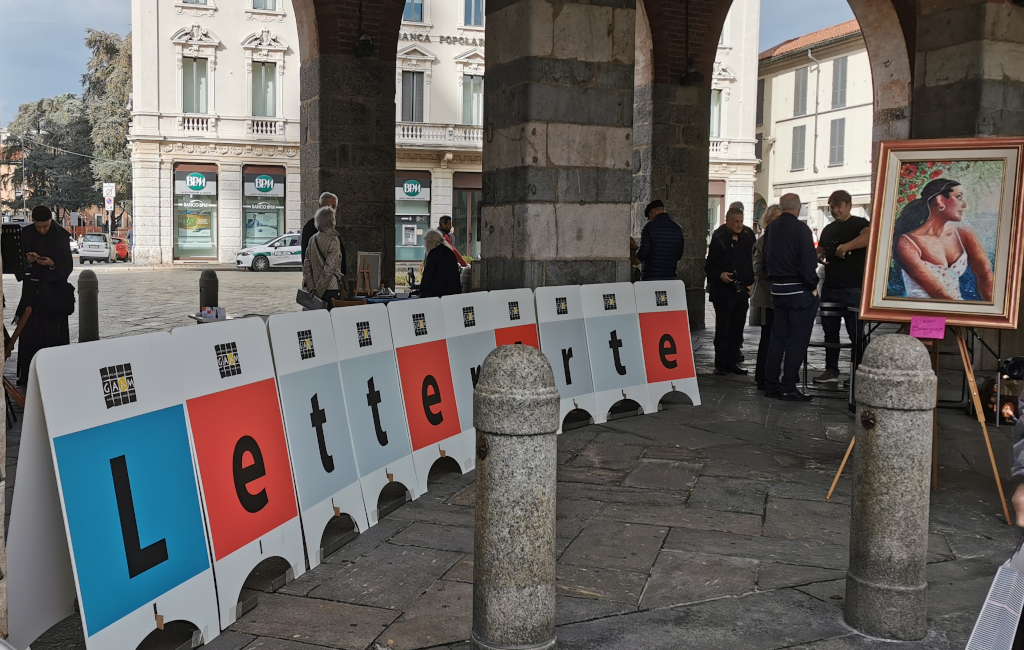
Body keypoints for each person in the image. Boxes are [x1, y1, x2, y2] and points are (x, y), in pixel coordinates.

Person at [892, 178, 993, 302]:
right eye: (959, 197)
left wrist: (993, 313)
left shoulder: (964, 235)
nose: (965, 205)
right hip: (925, 316)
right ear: (940, 200)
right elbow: (938, 293)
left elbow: (985, 274)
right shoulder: (907, 243)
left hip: (955, 312)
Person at [763, 193, 819, 401]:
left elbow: (767, 256)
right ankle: (788, 386)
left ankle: (771, 385)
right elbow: (808, 263)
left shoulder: (772, 228)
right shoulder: (801, 230)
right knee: (797, 339)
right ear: (798, 208)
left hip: (777, 289)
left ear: (781, 206)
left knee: (777, 337)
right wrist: (812, 286)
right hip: (798, 290)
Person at [813, 190, 870, 385]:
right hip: (831, 286)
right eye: (832, 207)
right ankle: (831, 370)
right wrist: (819, 255)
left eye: (839, 206)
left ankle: (858, 373)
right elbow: (819, 249)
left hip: (853, 286)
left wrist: (845, 247)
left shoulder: (860, 224)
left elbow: (869, 237)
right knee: (830, 331)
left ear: (848, 205)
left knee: (856, 332)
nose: (835, 210)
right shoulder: (828, 229)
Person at [14, 206, 74, 384]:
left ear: (50, 222)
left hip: (54, 295)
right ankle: (27, 374)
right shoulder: (25, 235)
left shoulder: (61, 236)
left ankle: (55, 374)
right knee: (29, 334)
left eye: (45, 226)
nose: (42, 230)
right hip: (31, 293)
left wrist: (52, 264)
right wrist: (29, 261)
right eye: (38, 226)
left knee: (53, 335)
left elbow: (67, 267)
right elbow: (17, 265)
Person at [706, 207, 755, 375]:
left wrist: (751, 283)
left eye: (741, 221)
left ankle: (732, 362)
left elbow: (751, 263)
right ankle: (721, 364)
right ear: (728, 221)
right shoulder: (719, 239)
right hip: (724, 293)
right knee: (723, 329)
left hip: (741, 291)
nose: (739, 225)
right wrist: (720, 275)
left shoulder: (747, 239)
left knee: (737, 329)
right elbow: (709, 266)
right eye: (736, 222)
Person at [751, 204, 782, 389]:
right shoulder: (763, 241)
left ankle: (769, 376)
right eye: (777, 217)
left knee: (775, 336)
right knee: (768, 336)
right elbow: (757, 269)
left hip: (777, 296)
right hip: (767, 296)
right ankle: (763, 377)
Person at [302, 206, 344, 309]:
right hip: (330, 288)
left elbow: (307, 266)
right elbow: (329, 269)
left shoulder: (312, 239)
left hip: (314, 289)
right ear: (332, 220)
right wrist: (319, 292)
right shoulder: (333, 240)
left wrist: (312, 289)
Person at [636, 199, 684, 280]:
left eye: (649, 217)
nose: (649, 219)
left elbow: (643, 252)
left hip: (651, 276)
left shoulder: (649, 228)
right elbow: (679, 255)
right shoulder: (677, 228)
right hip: (670, 276)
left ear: (652, 212)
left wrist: (636, 254)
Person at [415, 230, 462, 298]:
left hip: (437, 294)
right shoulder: (449, 251)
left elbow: (428, 275)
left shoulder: (434, 253)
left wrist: (421, 290)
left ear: (430, 241)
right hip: (453, 292)